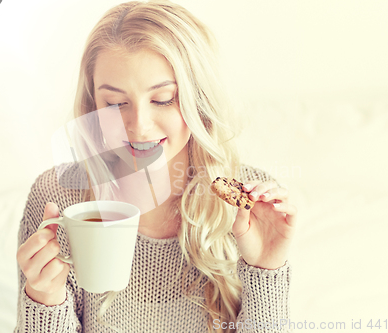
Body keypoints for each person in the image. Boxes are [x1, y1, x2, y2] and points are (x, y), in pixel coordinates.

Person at [15, 1, 298, 332]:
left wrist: (266, 269)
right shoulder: (58, 198)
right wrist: (43, 298)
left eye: (163, 99)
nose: (139, 126)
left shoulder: (252, 206)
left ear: (199, 100)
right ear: (94, 105)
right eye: (116, 103)